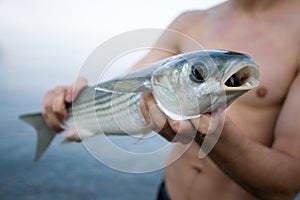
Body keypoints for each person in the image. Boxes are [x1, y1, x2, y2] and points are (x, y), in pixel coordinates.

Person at [42, 0, 300, 199]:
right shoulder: (190, 21)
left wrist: (214, 137)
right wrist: (77, 101)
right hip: (167, 193)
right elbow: (127, 87)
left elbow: (287, 185)